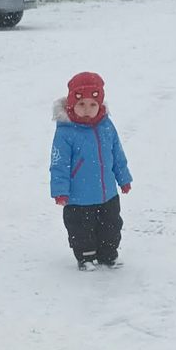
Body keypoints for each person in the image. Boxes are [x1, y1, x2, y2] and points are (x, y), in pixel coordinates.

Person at [49, 71, 133, 270]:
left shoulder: (106, 126)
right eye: (81, 105)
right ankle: (86, 257)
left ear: (100, 105)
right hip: (79, 197)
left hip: (108, 194)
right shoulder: (65, 132)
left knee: (111, 226)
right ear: (71, 104)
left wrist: (124, 178)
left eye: (92, 105)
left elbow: (117, 153)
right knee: (81, 229)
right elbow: (59, 164)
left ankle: (108, 253)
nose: (87, 110)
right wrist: (60, 191)